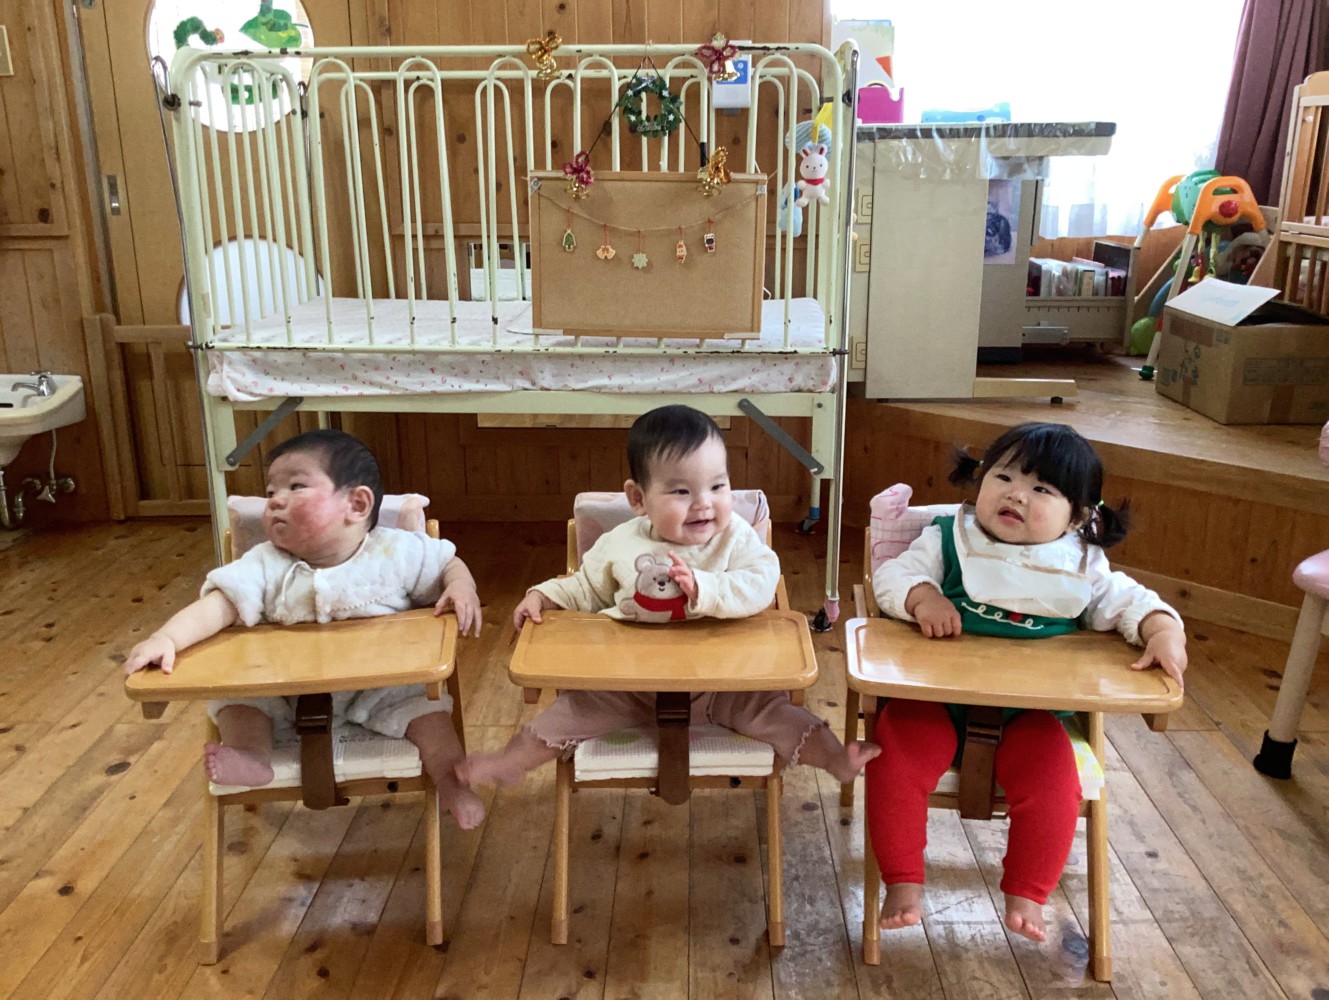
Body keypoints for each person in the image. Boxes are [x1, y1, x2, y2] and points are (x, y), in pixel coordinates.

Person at [867, 422, 1187, 942]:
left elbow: (1131, 602)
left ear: (1079, 516)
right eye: (1004, 476)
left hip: (1031, 714)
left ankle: (1028, 892)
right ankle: (902, 881)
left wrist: (1163, 629)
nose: (1016, 494)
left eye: (1041, 489)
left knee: (1055, 784)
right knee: (893, 760)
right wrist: (924, 598)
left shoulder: (1082, 565)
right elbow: (892, 578)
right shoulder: (948, 538)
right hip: (933, 700)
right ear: (979, 480)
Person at [457, 404, 878, 787]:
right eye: (681, 492)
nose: (703, 504)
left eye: (717, 486)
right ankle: (509, 762)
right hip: (630, 684)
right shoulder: (620, 544)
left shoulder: (734, 538)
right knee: (570, 713)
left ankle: (835, 760)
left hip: (724, 684)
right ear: (638, 499)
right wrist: (542, 596)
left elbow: (761, 581)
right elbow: (584, 587)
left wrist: (706, 588)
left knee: (778, 714)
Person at [123, 429, 486, 830]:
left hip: (384, 689)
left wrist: (461, 587)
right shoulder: (264, 564)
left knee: (431, 718)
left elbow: (447, 563)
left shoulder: (395, 552)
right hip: (284, 689)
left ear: (357, 504)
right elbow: (217, 606)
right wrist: (166, 638)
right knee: (237, 703)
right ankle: (252, 756)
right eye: (270, 491)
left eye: (295, 486)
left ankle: (452, 784)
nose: (275, 500)